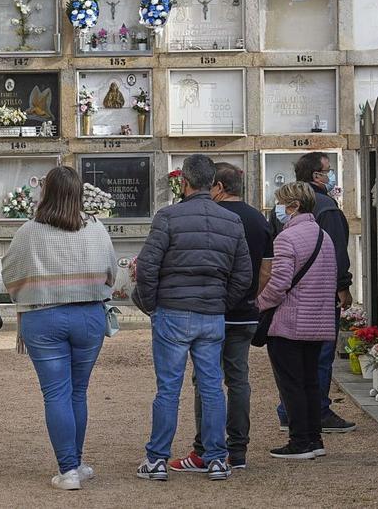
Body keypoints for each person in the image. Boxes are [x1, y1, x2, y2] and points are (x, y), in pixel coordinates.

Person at [132, 154, 252, 482]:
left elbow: (148, 268)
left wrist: (153, 305)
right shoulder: (231, 221)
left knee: (169, 388)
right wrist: (221, 303)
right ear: (212, 182)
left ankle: (157, 460)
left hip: (172, 311)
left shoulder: (168, 217)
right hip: (211, 314)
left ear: (183, 181)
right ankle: (216, 459)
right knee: (212, 387)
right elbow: (244, 274)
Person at [2, 166, 117, 491]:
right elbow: (111, 272)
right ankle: (77, 463)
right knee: (78, 392)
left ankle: (67, 471)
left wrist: (35, 287)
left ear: (46, 192)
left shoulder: (29, 231)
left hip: (44, 318)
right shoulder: (96, 228)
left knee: (56, 393)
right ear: (79, 193)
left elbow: (10, 272)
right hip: (89, 317)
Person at [169, 162, 272, 473]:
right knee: (239, 380)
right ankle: (238, 450)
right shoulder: (258, 219)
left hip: (212, 310)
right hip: (245, 313)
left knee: (206, 381)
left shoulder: (214, 217)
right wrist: (250, 297)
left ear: (217, 187)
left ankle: (204, 450)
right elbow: (266, 269)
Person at [271, 152, 356, 434]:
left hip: (291, 298)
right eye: (328, 171)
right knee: (318, 357)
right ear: (316, 177)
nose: (331, 177)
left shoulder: (284, 211)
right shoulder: (326, 208)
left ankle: (292, 411)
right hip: (318, 295)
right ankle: (316, 411)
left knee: (296, 363)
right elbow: (336, 253)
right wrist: (343, 286)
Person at [259, 182, 338, 459]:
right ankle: (314, 439)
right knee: (310, 382)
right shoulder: (323, 236)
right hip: (317, 322)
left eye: (281, 203)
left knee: (290, 384)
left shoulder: (286, 239)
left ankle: (299, 442)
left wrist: (259, 304)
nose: (277, 209)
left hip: (289, 323)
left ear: (293, 206)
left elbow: (278, 283)